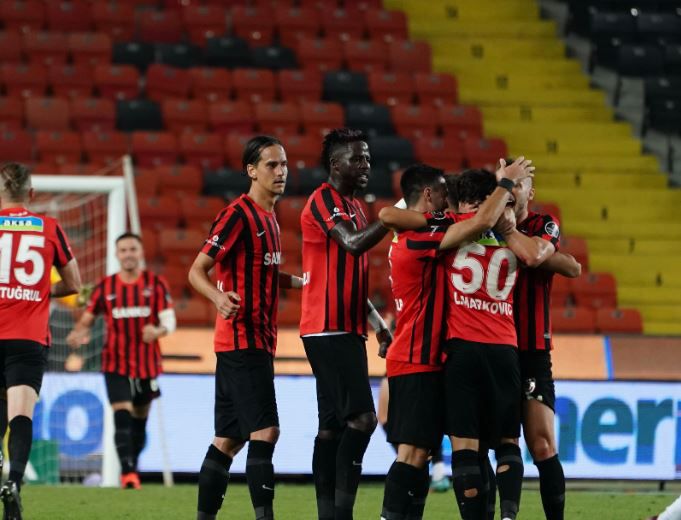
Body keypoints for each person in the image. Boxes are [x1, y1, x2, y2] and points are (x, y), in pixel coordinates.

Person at [381, 159, 550, 520]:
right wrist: (509, 194)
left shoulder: (451, 227)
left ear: (460, 202)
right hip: (507, 351)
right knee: (506, 443)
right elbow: (546, 258)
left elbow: (390, 215)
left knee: (461, 449)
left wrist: (501, 189)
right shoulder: (514, 238)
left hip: (456, 351)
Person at [189, 135, 302, 520]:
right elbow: (196, 270)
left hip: (254, 341)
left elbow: (265, 273)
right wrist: (218, 299)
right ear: (251, 171)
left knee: (229, 439)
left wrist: (300, 283)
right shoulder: (238, 215)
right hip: (243, 340)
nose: (281, 171)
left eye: (284, 164)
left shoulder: (271, 218)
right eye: (272, 164)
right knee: (266, 431)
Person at [300, 128, 392, 520]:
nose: (366, 164)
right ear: (336, 164)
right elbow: (352, 243)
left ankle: (329, 515)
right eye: (358, 158)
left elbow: (355, 279)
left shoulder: (356, 208)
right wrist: (390, 220)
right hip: (327, 327)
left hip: (347, 328)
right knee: (363, 418)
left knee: (332, 428)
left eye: (368, 158)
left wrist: (376, 322)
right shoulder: (323, 200)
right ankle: (341, 513)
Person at [0, 162, 81, 519]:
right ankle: (14, 481)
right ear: (30, 194)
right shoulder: (49, 227)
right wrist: (36, 291)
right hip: (28, 338)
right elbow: (75, 284)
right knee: (20, 413)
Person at [67, 232, 176, 489]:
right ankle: (127, 473)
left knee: (140, 417)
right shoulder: (106, 286)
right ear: (117, 255)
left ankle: (132, 467)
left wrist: (158, 331)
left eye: (132, 249)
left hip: (147, 363)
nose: (128, 254)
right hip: (115, 363)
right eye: (123, 250)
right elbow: (89, 317)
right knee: (122, 413)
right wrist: (79, 331)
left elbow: (169, 321)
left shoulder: (156, 284)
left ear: (141, 253)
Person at [379, 164, 452, 520]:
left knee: (420, 453)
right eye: (441, 192)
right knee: (409, 453)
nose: (445, 199)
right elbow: (475, 226)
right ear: (427, 194)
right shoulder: (417, 241)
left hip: (420, 357)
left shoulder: (407, 234)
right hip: (415, 358)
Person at [508, 171, 581, 520]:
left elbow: (540, 256)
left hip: (533, 352)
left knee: (542, 444)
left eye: (516, 183)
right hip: (491, 349)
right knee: (500, 445)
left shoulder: (543, 222)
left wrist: (525, 247)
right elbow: (564, 264)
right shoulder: (483, 220)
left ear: (530, 192)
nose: (509, 189)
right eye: (504, 182)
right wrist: (559, 261)